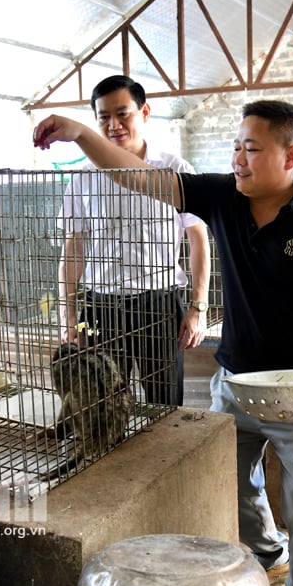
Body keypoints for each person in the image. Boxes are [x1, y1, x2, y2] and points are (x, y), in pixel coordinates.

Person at [35, 99, 293, 586]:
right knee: (236, 482)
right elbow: (138, 176)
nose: (238, 157)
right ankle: (266, 554)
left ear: (291, 156)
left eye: (252, 148)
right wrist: (81, 134)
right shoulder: (222, 197)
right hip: (234, 381)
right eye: (235, 146)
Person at [56, 75, 210, 406]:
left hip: (159, 304)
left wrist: (198, 306)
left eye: (122, 113)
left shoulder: (174, 169)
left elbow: (199, 240)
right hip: (102, 308)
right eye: (104, 117)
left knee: (165, 402)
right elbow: (73, 250)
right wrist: (68, 316)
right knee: (103, 402)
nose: (114, 125)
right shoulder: (84, 177)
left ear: (144, 112)